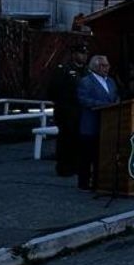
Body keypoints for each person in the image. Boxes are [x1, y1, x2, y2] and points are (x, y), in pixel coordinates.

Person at [75, 54, 120, 190]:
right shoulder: (86, 81)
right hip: (91, 124)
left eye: (107, 65)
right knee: (87, 156)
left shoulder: (111, 81)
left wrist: (116, 102)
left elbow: (115, 95)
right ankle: (84, 183)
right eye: (104, 65)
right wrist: (103, 105)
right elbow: (83, 99)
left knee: (101, 156)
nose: (107, 68)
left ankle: (99, 181)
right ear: (96, 66)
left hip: (107, 125)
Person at [46, 42, 89, 178]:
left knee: (78, 139)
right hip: (66, 110)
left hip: (80, 111)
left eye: (85, 54)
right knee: (66, 139)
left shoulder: (86, 71)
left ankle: (75, 165)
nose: (84, 56)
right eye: (82, 53)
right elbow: (53, 90)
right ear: (74, 54)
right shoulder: (63, 69)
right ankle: (64, 167)